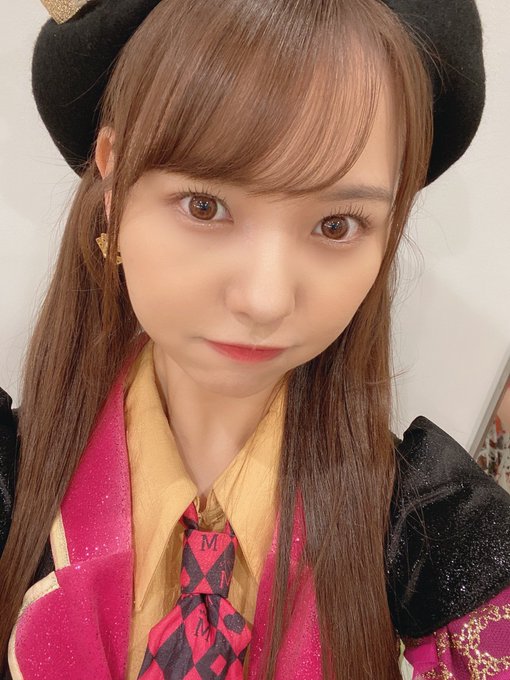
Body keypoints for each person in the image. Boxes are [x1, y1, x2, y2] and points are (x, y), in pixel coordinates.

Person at [1, 0, 510, 678]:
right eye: (205, 206)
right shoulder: (12, 484)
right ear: (113, 179)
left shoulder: (436, 535)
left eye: (336, 225)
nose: (266, 300)